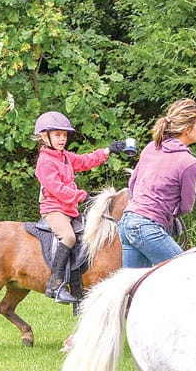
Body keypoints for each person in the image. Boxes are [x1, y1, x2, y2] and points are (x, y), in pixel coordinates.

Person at [34, 111, 127, 303]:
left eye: (64, 135)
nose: (62, 139)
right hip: (54, 209)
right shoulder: (45, 162)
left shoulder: (64, 157)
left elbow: (85, 161)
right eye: (57, 135)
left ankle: (78, 286)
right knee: (68, 237)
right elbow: (57, 189)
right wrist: (82, 196)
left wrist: (108, 150)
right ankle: (54, 284)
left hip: (70, 210)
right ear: (44, 137)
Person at [118, 99, 196, 268]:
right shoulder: (189, 163)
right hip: (147, 228)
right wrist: (165, 213)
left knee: (134, 283)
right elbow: (186, 206)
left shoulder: (151, 147)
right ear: (187, 129)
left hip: (127, 222)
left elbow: (133, 184)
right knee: (188, 271)